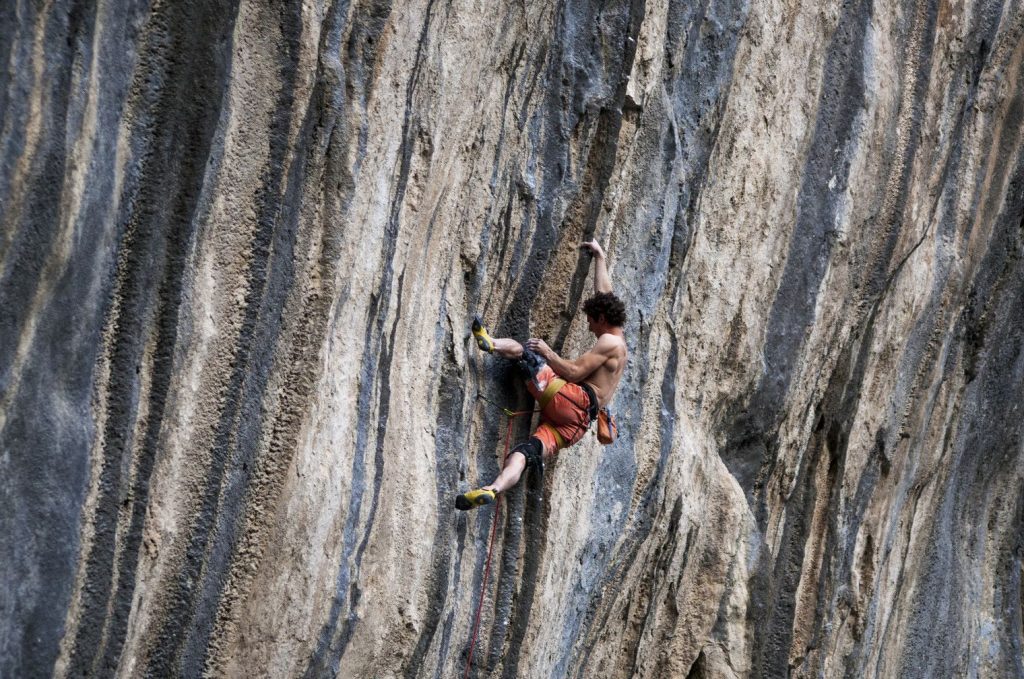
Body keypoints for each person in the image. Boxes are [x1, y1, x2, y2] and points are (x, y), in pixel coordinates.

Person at [456, 240, 628, 510]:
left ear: (603, 319)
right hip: (574, 427)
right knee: (526, 453)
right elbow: (604, 294)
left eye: (592, 321)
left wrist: (548, 353)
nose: (590, 326)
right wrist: (600, 258)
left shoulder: (608, 343)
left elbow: (573, 371)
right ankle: (493, 488)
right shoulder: (619, 339)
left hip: (570, 400)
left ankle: (490, 343)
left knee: (526, 353)